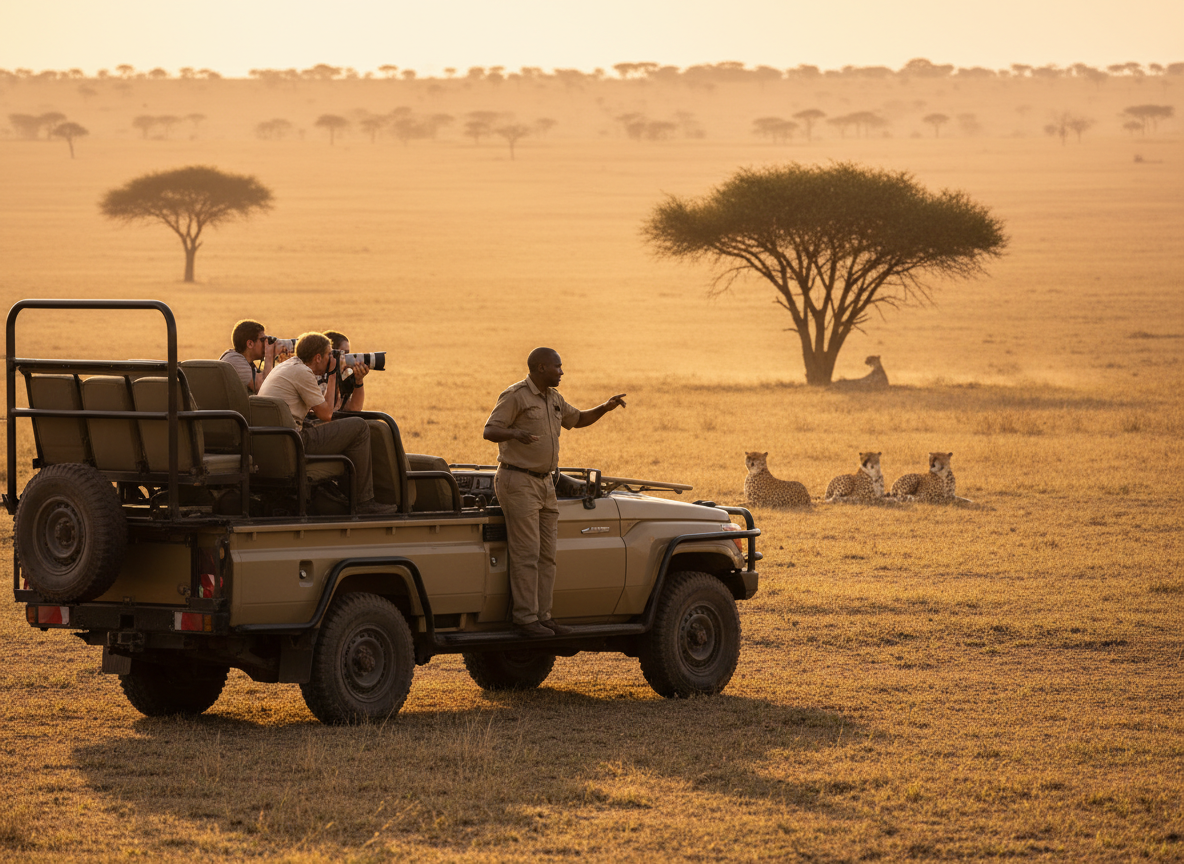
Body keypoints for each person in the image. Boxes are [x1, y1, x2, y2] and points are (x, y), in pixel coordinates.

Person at [483, 347, 627, 638]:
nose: (562, 372)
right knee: (527, 553)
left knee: (547, 555)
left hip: (545, 483)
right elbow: (490, 430)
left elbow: (578, 419)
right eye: (557, 367)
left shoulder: (554, 398)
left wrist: (605, 407)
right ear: (540, 368)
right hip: (518, 480)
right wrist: (515, 434)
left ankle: (543, 616)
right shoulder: (515, 396)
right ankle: (525, 619)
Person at [259, 332, 396, 516]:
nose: (332, 359)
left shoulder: (286, 367)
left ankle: (343, 496)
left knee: (344, 428)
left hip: (277, 441)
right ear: (318, 357)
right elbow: (327, 414)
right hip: (295, 442)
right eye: (329, 356)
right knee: (360, 427)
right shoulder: (303, 373)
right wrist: (332, 375)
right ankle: (363, 502)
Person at [220, 319, 282, 394]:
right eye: (263, 340)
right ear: (250, 344)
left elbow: (264, 378)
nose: (266, 344)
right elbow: (264, 390)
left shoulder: (244, 362)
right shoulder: (234, 361)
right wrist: (269, 355)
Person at [322, 330, 369, 412]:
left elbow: (354, 409)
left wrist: (359, 381)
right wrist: (334, 374)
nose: (349, 357)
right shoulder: (317, 376)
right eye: (344, 353)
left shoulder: (345, 375)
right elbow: (326, 411)